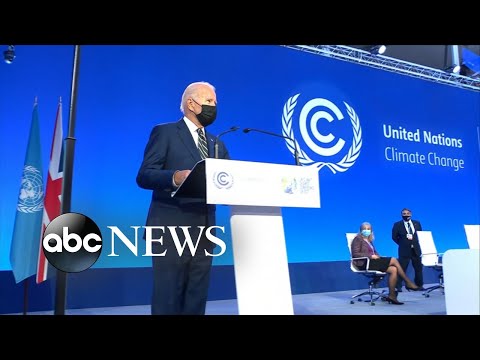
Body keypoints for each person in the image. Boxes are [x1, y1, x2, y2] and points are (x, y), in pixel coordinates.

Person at [136, 81, 230, 315]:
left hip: (205, 230)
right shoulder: (165, 132)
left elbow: (230, 180)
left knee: (196, 298)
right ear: (191, 103)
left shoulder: (217, 144)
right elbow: (145, 176)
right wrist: (175, 177)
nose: (214, 107)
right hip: (170, 229)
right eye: (209, 101)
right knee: (168, 298)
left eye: (215, 103)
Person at [351, 222, 421, 305]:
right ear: (361, 230)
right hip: (363, 263)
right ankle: (408, 282)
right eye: (364, 229)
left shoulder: (369, 240)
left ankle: (392, 296)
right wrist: (371, 256)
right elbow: (355, 254)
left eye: (368, 229)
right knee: (394, 260)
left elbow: (375, 252)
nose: (366, 230)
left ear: (371, 230)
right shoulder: (358, 239)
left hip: (372, 262)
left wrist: (378, 256)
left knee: (393, 269)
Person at [391, 208, 424, 293]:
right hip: (404, 250)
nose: (406, 215)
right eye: (404, 213)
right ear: (401, 215)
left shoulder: (417, 223)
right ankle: (398, 286)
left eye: (407, 213)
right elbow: (394, 237)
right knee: (402, 269)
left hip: (416, 249)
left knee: (418, 268)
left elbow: (420, 235)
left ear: (411, 214)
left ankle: (419, 285)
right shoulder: (397, 224)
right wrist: (402, 244)